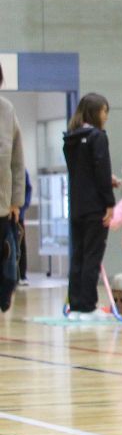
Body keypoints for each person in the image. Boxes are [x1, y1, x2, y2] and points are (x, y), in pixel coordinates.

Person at [63, 93, 115, 319]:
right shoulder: (98, 137)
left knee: (79, 256)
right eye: (104, 111)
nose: (106, 116)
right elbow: (100, 172)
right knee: (92, 255)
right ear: (96, 112)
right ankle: (88, 306)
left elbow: (82, 172)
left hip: (76, 206)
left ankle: (75, 305)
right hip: (95, 207)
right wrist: (110, 203)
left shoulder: (70, 138)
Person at [0, 65, 23, 313]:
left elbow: (17, 161)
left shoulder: (6, 110)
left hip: (2, 207)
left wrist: (16, 201)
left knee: (6, 274)